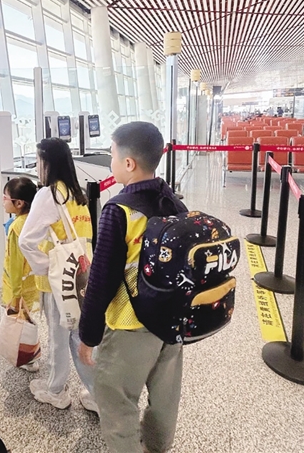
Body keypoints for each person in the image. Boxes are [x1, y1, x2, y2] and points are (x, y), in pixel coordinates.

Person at [78, 122, 187, 453]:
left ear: (128, 163)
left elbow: (102, 280)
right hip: (170, 323)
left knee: (116, 399)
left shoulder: (118, 210)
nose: (110, 161)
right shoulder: (174, 201)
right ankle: (157, 446)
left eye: (112, 154)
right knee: (165, 396)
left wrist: (88, 335)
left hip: (131, 324)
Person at [18, 138, 97, 413]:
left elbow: (26, 240)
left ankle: (55, 390)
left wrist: (45, 267)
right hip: (81, 274)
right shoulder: (77, 193)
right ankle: (98, 394)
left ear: (48, 163)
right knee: (78, 336)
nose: (36, 167)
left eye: (39, 160)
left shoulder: (49, 194)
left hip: (58, 280)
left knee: (58, 337)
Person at [2, 177, 41, 371]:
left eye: (5, 197)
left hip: (18, 286)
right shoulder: (35, 221)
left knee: (21, 321)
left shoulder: (16, 228)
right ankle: (30, 354)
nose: (3, 201)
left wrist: (16, 295)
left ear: (18, 203)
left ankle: (28, 358)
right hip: (33, 282)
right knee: (28, 318)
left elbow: (15, 264)